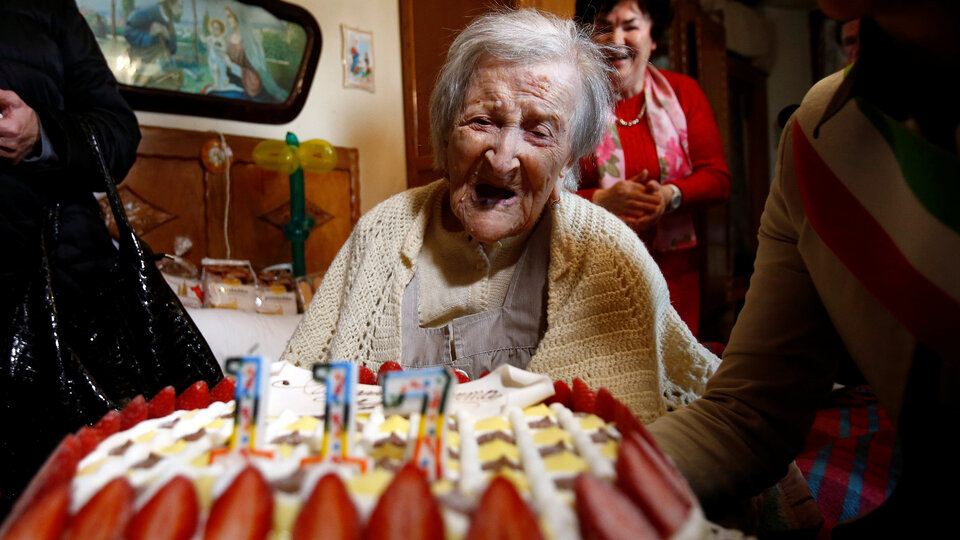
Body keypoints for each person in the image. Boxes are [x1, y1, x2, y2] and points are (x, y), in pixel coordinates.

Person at [282, 8, 719, 420]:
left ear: (569, 160)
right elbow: (294, 395)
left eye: (539, 131)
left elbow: (684, 411)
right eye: (482, 121)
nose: (504, 158)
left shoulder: (604, 250)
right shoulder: (381, 234)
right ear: (445, 131)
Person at [646, 0, 960, 535]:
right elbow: (746, 418)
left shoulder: (685, 97)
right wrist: (549, 479)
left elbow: (713, 176)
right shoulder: (821, 130)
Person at [0, 0, 141, 516]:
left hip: (60, 292)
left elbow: (119, 132)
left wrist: (42, 134)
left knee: (67, 502)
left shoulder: (47, 6)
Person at [574, 0, 730, 337]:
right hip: (594, 278)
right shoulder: (573, 102)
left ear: (653, 37)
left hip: (676, 278)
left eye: (630, 26)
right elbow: (548, 193)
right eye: (603, 26)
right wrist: (600, 201)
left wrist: (668, 197)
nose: (616, 38)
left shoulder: (684, 93)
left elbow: (718, 179)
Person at [223, 6, 286, 102]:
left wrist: (232, 66)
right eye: (227, 17)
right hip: (233, 78)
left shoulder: (250, 39)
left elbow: (256, 65)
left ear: (237, 16)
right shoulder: (229, 38)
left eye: (230, 16)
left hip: (251, 81)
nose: (228, 20)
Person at [123, 0, 184, 88]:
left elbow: (172, 48)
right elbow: (128, 32)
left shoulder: (168, 19)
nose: (181, 11)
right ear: (170, 4)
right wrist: (150, 34)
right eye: (180, 6)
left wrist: (167, 36)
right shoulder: (146, 13)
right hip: (142, 64)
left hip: (159, 67)